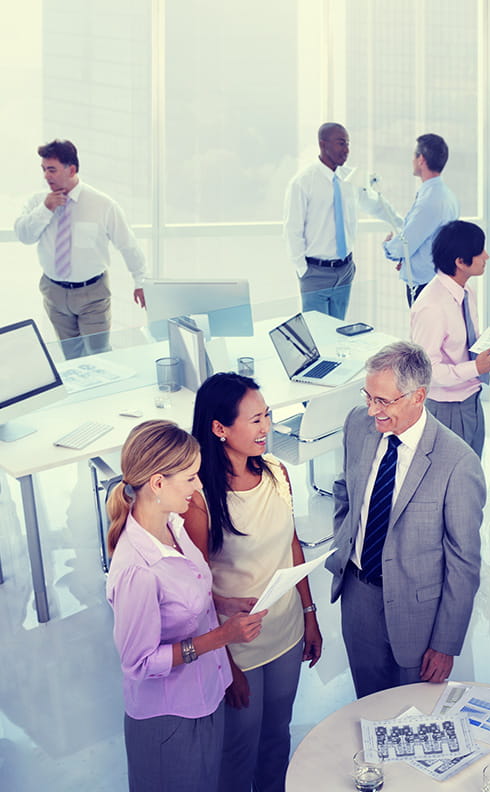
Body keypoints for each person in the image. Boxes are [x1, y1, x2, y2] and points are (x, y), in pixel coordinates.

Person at [106, 420, 266, 792]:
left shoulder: (173, 526)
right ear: (158, 483)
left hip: (206, 695)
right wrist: (221, 637)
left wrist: (225, 604)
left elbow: (189, 598)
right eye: (191, 477)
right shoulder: (137, 570)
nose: (199, 486)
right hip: (170, 719)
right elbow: (140, 664)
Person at [184, 373, 322, 792]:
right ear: (219, 428)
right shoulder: (198, 497)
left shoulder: (278, 471)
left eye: (268, 416)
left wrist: (309, 615)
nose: (266, 428)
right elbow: (194, 587)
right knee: (238, 748)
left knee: (277, 736)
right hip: (236, 646)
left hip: (286, 632)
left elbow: (292, 543)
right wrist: (225, 663)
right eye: (255, 420)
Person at [325, 341, 486, 698]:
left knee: (414, 717)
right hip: (358, 597)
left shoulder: (458, 464)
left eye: (383, 401)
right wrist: (345, 543)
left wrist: (446, 643)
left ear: (418, 396)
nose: (371, 411)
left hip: (419, 616)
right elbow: (344, 489)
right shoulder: (357, 424)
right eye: (368, 396)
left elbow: (464, 563)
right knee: (367, 704)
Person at [14, 138, 147, 358]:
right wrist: (45, 209)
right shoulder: (38, 202)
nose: (46, 175)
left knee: (99, 354)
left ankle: (104, 392)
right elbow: (24, 235)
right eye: (44, 169)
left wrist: (140, 281)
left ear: (72, 169)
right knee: (72, 357)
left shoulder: (103, 204)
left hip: (92, 294)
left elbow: (128, 244)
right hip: (53, 292)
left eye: (52, 170)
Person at [283, 122, 399, 320]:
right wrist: (304, 270)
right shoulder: (303, 182)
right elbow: (292, 230)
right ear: (323, 144)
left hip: (345, 270)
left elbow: (374, 205)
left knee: (338, 330)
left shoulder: (351, 179)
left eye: (348, 144)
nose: (346, 150)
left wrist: (402, 224)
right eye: (341, 143)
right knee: (318, 335)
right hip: (315, 273)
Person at [409, 220, 490, 456]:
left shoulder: (466, 292)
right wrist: (476, 367)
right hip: (447, 408)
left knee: (471, 472)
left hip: (472, 398)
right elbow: (427, 371)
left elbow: (465, 340)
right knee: (451, 482)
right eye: (480, 251)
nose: (486, 256)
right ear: (460, 262)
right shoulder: (431, 307)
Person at [382, 133, 460, 305]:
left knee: (424, 331)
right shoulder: (447, 196)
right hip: (437, 278)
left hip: (425, 285)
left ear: (421, 159)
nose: (412, 160)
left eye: (413, 156)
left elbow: (406, 243)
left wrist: (389, 247)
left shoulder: (429, 201)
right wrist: (406, 260)